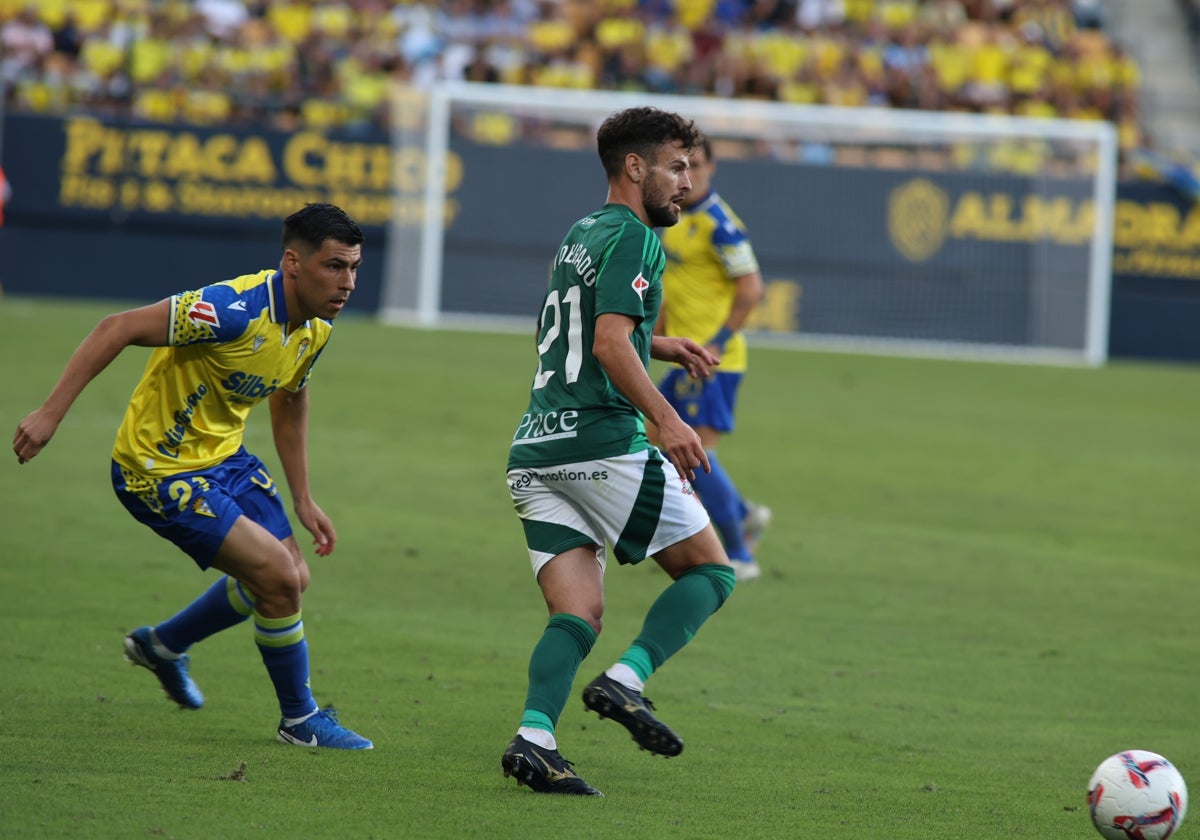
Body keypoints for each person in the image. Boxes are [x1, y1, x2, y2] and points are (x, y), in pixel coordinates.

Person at [12, 203, 373, 750]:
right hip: (155, 468)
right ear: (293, 263)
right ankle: (299, 720)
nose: (347, 283)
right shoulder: (230, 309)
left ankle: (161, 646)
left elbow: (290, 397)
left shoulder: (315, 326)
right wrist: (49, 414)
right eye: (335, 267)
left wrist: (303, 496)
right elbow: (118, 327)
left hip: (224, 458)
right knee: (276, 577)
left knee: (292, 580)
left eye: (354, 268)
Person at [501, 107, 737, 797]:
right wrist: (666, 419)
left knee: (578, 613)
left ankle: (535, 740)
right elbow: (606, 343)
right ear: (636, 168)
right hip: (601, 441)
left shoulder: (584, 232)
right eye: (677, 167)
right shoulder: (636, 237)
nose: (687, 183)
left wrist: (655, 343)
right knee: (712, 573)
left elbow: (579, 328)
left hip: (535, 449)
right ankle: (626, 681)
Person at [655, 135, 771, 583]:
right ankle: (740, 512)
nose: (690, 173)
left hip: (711, 359)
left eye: (698, 165)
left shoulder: (722, 224)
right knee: (654, 439)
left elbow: (751, 288)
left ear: (712, 168)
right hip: (686, 355)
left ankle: (740, 554)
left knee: (692, 450)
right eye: (682, 165)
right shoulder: (676, 216)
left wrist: (719, 342)